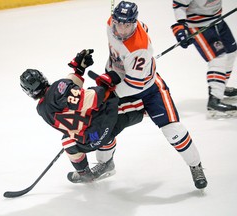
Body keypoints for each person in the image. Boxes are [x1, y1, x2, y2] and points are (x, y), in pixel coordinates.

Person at [94, 1, 207, 190]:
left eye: (127, 25)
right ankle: (105, 164)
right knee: (100, 122)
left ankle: (195, 165)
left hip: (149, 89)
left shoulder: (139, 49)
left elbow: (134, 86)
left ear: (134, 22)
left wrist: (106, 93)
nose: (121, 29)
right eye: (119, 23)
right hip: (119, 83)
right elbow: (143, 27)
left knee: (173, 130)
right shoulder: (110, 23)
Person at [20, 49, 126, 184]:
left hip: (95, 134)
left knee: (68, 141)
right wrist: (103, 85)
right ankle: (106, 160)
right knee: (99, 130)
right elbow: (69, 92)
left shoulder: (42, 109)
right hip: (102, 125)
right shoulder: (57, 89)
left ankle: (85, 173)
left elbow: (66, 94)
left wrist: (78, 71)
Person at [171, 0, 237, 117]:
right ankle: (214, 100)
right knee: (219, 58)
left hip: (217, 20)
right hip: (199, 26)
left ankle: (219, 86)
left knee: (231, 52)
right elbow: (179, 6)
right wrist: (181, 28)